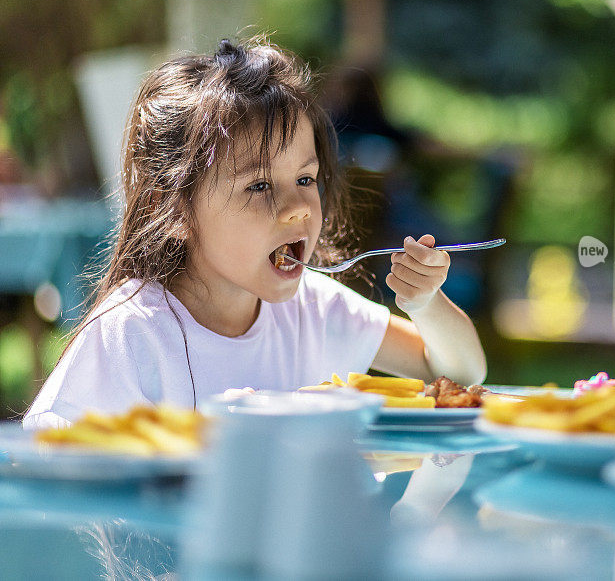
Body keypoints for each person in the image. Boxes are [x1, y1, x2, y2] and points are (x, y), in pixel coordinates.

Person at [23, 37, 486, 429]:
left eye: (305, 179)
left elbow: (460, 373)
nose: (296, 209)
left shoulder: (315, 309)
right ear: (176, 208)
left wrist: (426, 304)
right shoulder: (133, 333)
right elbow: (51, 462)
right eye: (259, 185)